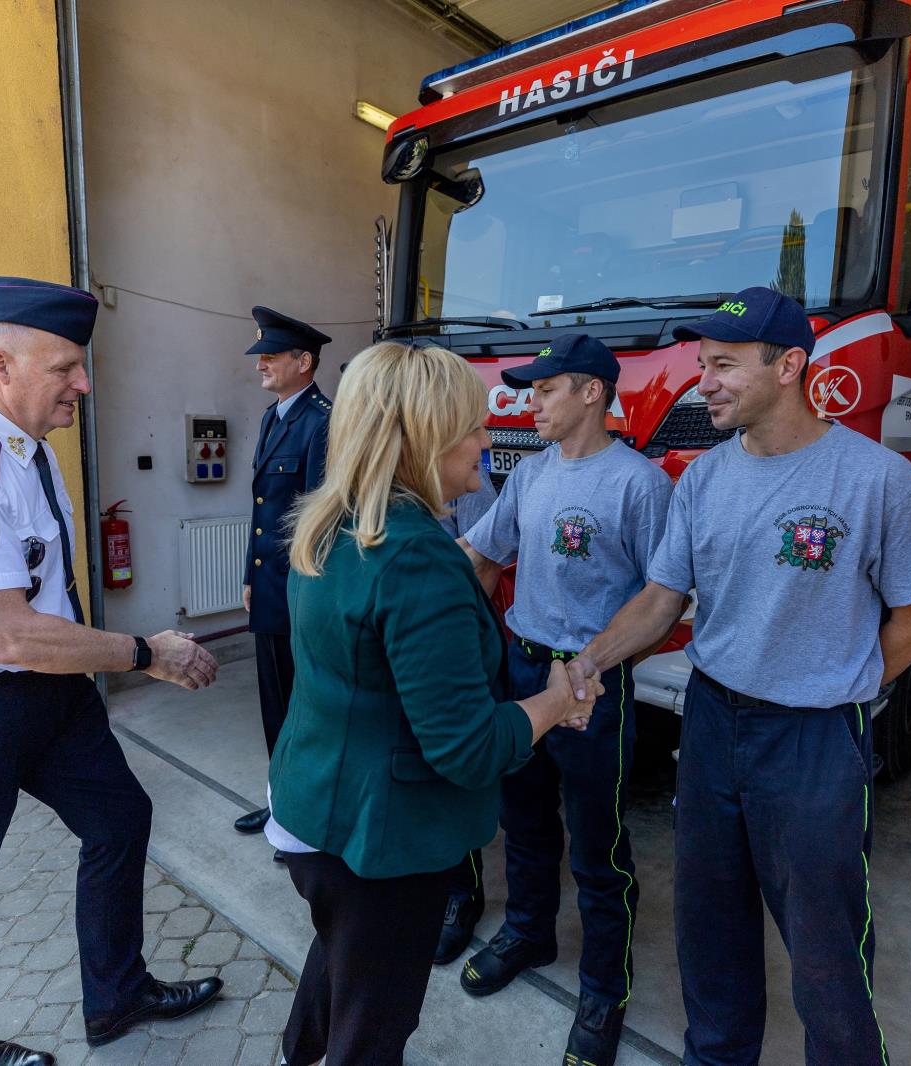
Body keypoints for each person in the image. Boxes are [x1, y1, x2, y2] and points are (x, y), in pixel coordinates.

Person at [566, 287, 911, 1066]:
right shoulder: (705, 481)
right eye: (702, 364)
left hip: (814, 741)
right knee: (709, 925)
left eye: (722, 366)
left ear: (790, 365)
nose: (703, 382)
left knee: (825, 947)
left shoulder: (879, 480)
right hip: (712, 723)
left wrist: (831, 682)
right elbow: (658, 602)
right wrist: (587, 664)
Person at [0, 275, 224, 1066]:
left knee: (120, 819)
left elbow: (41, 608)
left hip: (50, 694)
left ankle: (117, 995)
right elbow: (6, 634)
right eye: (65, 367)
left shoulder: (26, 454)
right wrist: (146, 653)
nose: (83, 384)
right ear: (0, 363)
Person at [266, 341, 602, 1066]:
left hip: (321, 812)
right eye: (473, 427)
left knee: (338, 973)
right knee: (374, 1031)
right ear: (424, 436)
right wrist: (555, 700)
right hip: (380, 844)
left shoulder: (333, 522)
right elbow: (469, 746)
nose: (487, 439)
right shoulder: (416, 556)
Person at [455, 333, 671, 1066]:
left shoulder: (639, 484)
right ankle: (528, 931)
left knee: (598, 846)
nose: (528, 400)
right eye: (529, 388)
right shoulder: (531, 475)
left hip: (592, 689)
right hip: (522, 672)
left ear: (591, 393)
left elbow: (662, 597)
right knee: (522, 821)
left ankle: (603, 989)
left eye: (545, 389)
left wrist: (592, 667)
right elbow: (481, 557)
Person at [235, 306, 333, 858]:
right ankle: (282, 802)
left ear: (305, 361)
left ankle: (307, 814)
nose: (260, 366)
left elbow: (321, 516)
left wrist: (310, 593)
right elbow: (262, 509)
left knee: (307, 706)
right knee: (275, 704)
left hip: (302, 592)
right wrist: (250, 573)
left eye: (270, 356)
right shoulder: (276, 417)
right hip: (270, 588)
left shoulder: (322, 421)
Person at [432, 473, 500, 965]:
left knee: (455, 777)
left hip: (448, 644)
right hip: (397, 646)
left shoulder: (464, 479)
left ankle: (462, 894)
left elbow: (483, 566)